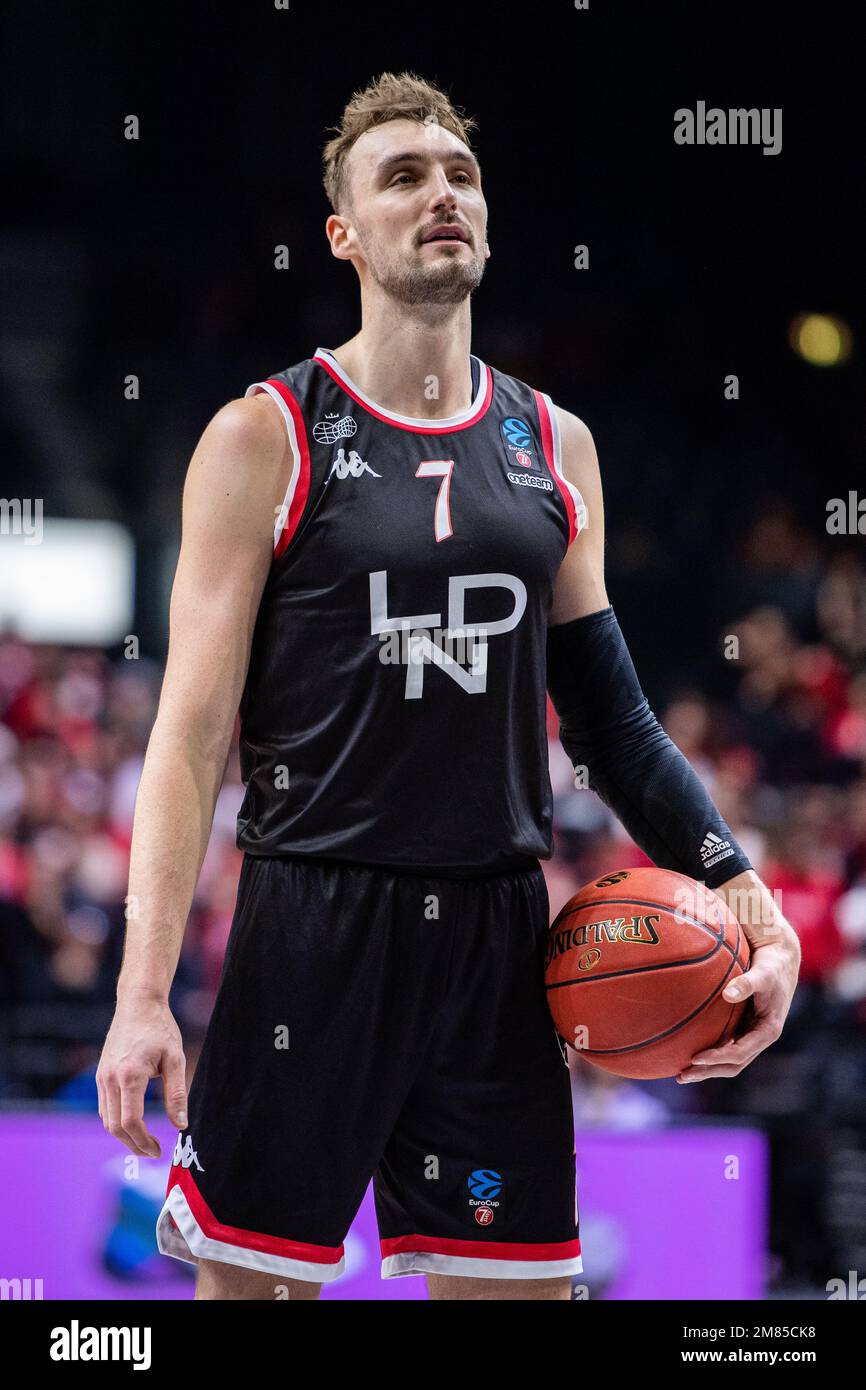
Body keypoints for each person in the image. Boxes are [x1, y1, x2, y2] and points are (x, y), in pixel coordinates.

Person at [97, 71, 801, 1302]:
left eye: (460, 174)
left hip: (494, 936)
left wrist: (747, 894)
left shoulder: (552, 442)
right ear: (344, 234)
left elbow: (613, 720)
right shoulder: (265, 433)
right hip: (310, 926)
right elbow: (190, 735)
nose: (442, 196)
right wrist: (142, 992)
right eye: (404, 177)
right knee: (250, 1293)